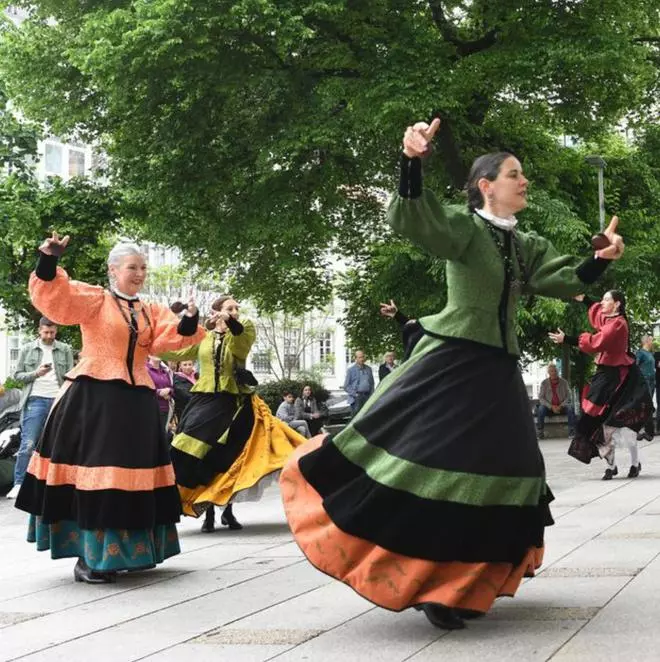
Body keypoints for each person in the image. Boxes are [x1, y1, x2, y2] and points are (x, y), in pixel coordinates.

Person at [280, 117, 624, 630]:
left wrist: (599, 260)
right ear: (487, 186)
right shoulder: (465, 228)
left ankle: (467, 578)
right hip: (454, 363)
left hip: (498, 370)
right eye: (514, 174)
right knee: (438, 469)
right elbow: (416, 218)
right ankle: (431, 585)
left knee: (514, 469)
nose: (524, 181)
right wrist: (411, 160)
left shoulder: (524, 244)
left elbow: (562, 278)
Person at [14, 233, 206, 584]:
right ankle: (90, 558)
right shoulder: (96, 301)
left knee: (134, 476)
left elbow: (168, 340)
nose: (140, 273)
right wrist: (49, 260)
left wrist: (190, 320)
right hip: (94, 399)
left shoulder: (149, 311)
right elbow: (55, 299)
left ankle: (132, 553)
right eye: (133, 267)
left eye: (143, 267)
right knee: (97, 476)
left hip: (135, 403)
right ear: (113, 270)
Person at [162, 295, 305, 533]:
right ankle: (202, 509)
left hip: (233, 401)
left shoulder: (243, 329)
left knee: (229, 456)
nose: (236, 311)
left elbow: (241, 345)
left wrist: (231, 320)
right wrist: (184, 318)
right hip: (205, 399)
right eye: (230, 308)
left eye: (237, 308)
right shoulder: (203, 337)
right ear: (216, 312)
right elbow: (175, 351)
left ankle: (226, 511)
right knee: (190, 450)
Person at [549, 292, 652, 479]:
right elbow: (599, 318)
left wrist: (568, 339)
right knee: (596, 423)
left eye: (606, 300)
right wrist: (586, 300)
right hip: (605, 376)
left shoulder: (618, 324)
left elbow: (597, 342)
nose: (602, 302)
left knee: (622, 424)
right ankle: (611, 466)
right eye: (602, 299)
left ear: (617, 304)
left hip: (621, 378)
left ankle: (635, 464)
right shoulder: (610, 319)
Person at [6, 317, 74, 500]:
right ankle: (19, 483)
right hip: (35, 400)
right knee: (28, 443)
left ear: (56, 330)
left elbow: (71, 375)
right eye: (46, 332)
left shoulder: (65, 349)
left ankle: (57, 483)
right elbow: (17, 375)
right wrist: (37, 373)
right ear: (39, 330)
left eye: (52, 332)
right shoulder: (28, 349)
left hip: (58, 400)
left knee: (60, 443)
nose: (49, 335)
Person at [536, 363, 576, 439]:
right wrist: (551, 406)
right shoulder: (544, 383)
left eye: (555, 371)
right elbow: (541, 398)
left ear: (557, 372)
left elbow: (568, 396)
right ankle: (540, 432)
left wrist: (561, 406)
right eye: (551, 371)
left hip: (562, 407)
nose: (553, 373)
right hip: (549, 407)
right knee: (541, 409)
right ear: (549, 373)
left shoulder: (564, 382)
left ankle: (571, 432)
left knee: (570, 408)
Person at [635, 335, 656, 441]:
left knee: (646, 406)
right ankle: (644, 431)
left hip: (652, 382)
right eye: (651, 340)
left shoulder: (650, 354)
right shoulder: (640, 353)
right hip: (644, 382)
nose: (652, 342)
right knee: (646, 405)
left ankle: (645, 431)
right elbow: (635, 368)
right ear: (646, 341)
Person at [146, 356, 174, 431]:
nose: (157, 354)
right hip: (150, 409)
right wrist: (159, 392)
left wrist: (169, 391)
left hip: (165, 409)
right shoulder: (145, 369)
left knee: (163, 436)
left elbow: (173, 387)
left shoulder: (166, 370)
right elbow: (143, 390)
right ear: (149, 355)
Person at [343, 350, 374, 417]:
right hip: (356, 398)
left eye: (363, 357)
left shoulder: (369, 369)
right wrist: (355, 394)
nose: (362, 359)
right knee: (356, 418)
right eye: (360, 357)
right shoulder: (350, 370)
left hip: (367, 396)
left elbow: (372, 384)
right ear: (355, 359)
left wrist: (372, 395)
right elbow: (346, 386)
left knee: (366, 417)